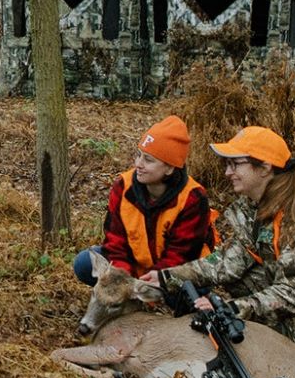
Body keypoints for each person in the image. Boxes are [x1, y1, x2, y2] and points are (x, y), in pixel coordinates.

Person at [143, 125, 295, 378]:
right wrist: (168, 277)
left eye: (236, 164)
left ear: (265, 168)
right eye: (227, 164)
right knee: (239, 276)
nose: (227, 172)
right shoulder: (253, 208)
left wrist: (232, 310)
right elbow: (228, 262)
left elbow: (292, 294)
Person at [73, 115, 214, 286]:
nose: (138, 164)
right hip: (135, 268)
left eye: (148, 160)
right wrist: (124, 277)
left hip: (176, 271)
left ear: (170, 168)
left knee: (187, 294)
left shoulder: (193, 198)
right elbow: (115, 241)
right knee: (84, 263)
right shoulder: (123, 186)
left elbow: (182, 254)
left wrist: (154, 282)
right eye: (139, 155)